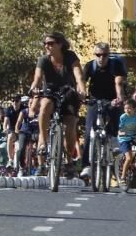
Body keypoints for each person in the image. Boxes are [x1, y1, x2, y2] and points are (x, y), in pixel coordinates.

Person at [28, 31, 86, 171]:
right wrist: (33, 89)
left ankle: (68, 159)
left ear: (60, 44)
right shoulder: (43, 60)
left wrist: (82, 90)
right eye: (45, 44)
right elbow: (37, 78)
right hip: (51, 91)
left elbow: (78, 75)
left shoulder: (70, 56)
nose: (47, 46)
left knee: (71, 125)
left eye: (50, 43)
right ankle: (43, 138)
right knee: (45, 104)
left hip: (68, 92)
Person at [79, 41, 126, 178]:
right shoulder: (90, 66)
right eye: (98, 55)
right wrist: (82, 94)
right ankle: (86, 166)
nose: (101, 58)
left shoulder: (115, 64)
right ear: (95, 55)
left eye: (104, 55)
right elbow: (82, 81)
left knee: (115, 112)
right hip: (94, 100)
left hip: (112, 98)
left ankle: (113, 139)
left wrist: (119, 97)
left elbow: (118, 82)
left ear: (108, 55)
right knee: (88, 131)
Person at [116, 97, 136, 193]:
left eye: (129, 108)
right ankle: (122, 178)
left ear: (134, 109)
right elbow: (120, 129)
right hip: (124, 139)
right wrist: (122, 133)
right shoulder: (123, 117)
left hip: (134, 136)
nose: (127, 110)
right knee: (129, 158)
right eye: (125, 108)